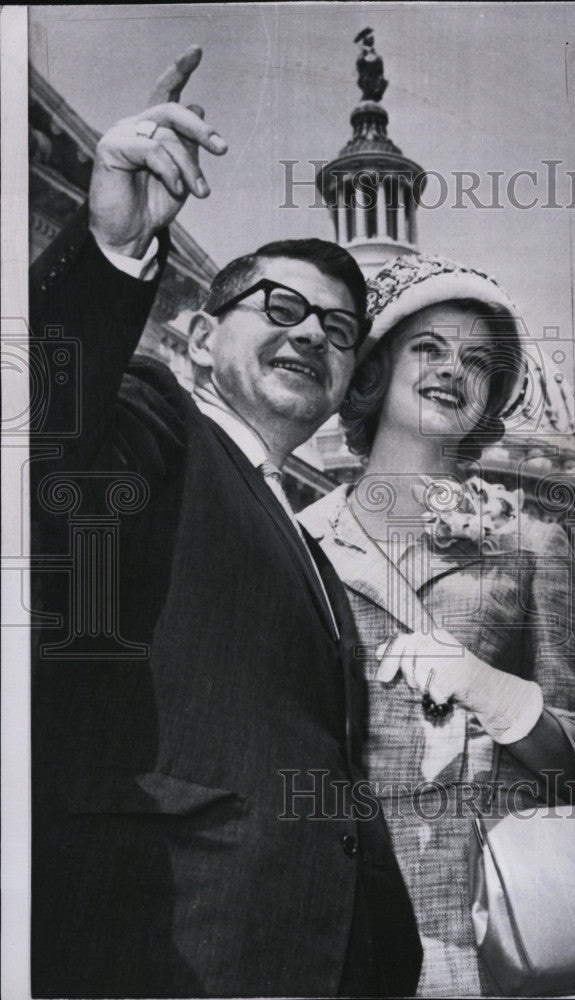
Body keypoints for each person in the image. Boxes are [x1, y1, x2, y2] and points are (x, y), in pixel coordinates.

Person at [29, 46, 421, 997]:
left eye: (337, 332)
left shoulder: (295, 530)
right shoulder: (151, 416)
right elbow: (44, 436)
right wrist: (113, 250)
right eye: (278, 307)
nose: (308, 334)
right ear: (200, 336)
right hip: (163, 942)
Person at [299, 253, 575, 996]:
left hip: (485, 933)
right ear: (373, 369)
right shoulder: (296, 540)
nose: (452, 371)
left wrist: (497, 696)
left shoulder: (532, 544)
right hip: (334, 931)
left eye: (477, 360)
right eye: (429, 347)